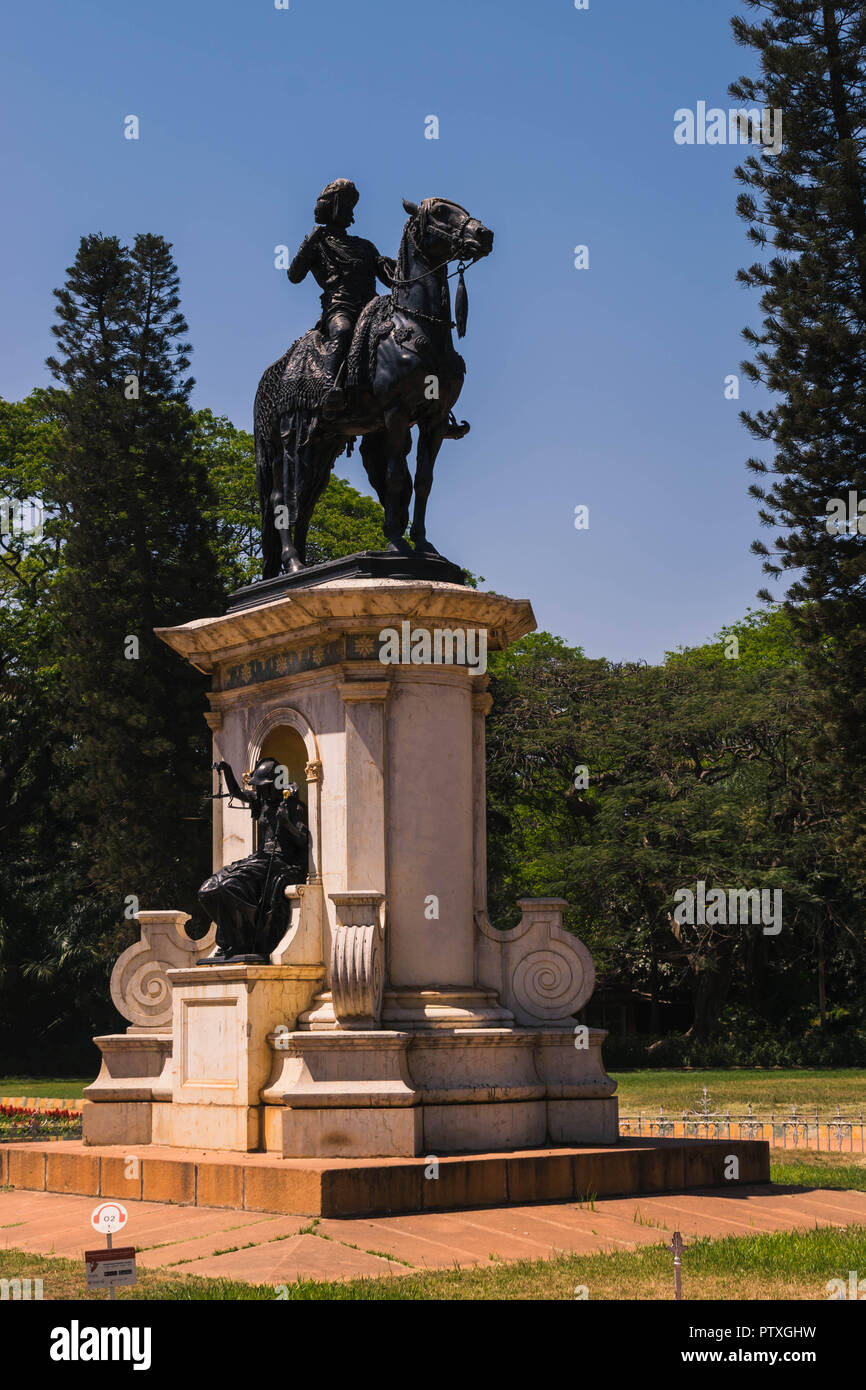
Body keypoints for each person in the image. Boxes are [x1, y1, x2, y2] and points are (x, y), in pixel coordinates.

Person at [287, 178, 396, 415]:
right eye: (345, 206)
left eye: (351, 207)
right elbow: (294, 275)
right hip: (340, 307)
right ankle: (329, 390)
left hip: (372, 308)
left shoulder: (365, 246)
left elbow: (390, 278)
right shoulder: (318, 244)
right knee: (343, 331)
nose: (349, 212)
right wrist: (309, 243)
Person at [197, 757, 309, 963]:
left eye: (264, 787)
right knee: (208, 889)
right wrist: (227, 770)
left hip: (279, 862)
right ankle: (234, 935)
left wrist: (287, 824)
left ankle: (240, 939)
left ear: (276, 784)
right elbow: (237, 793)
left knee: (228, 886)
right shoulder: (262, 803)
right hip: (259, 859)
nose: (261, 792)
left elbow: (303, 841)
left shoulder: (293, 807)